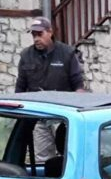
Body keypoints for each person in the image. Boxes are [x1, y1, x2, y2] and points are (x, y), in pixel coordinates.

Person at [15, 16, 85, 165]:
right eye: (34, 35)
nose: (36, 39)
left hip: (64, 117)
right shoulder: (26, 56)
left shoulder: (67, 53)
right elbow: (20, 88)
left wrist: (78, 112)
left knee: (69, 156)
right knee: (41, 159)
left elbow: (78, 85)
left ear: (50, 32)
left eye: (40, 35)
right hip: (39, 115)